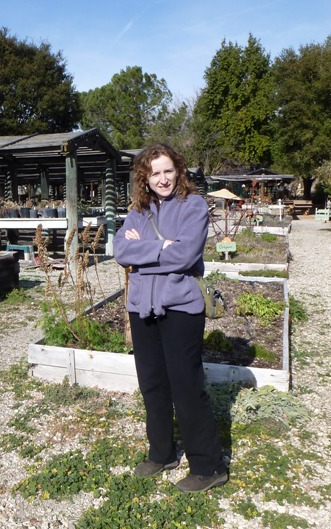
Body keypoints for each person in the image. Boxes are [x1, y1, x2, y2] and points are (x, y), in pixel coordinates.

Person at [113, 143, 228, 493]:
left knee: (186, 386)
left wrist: (146, 249)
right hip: (141, 307)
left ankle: (209, 467)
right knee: (152, 384)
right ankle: (162, 453)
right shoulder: (138, 211)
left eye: (167, 170)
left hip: (180, 307)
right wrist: (161, 246)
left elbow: (184, 255)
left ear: (178, 171)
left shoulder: (193, 206)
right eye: (154, 173)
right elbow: (120, 251)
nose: (162, 179)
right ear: (144, 178)